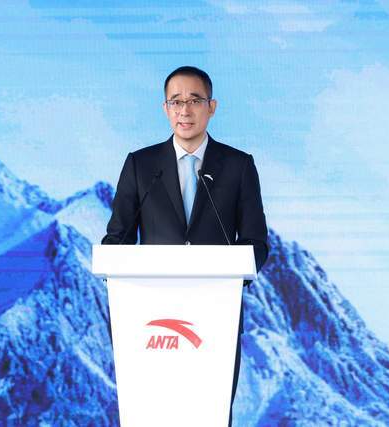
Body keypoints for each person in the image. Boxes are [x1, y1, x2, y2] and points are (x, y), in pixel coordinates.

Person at [101, 65, 269, 424]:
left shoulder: (238, 166)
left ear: (212, 107)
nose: (185, 110)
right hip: (149, 320)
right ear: (165, 108)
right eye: (176, 102)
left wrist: (226, 274)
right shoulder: (141, 165)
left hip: (216, 316)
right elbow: (118, 238)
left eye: (195, 100)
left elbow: (256, 241)